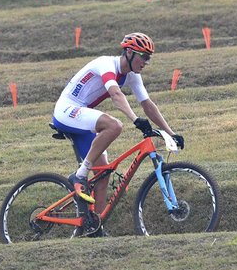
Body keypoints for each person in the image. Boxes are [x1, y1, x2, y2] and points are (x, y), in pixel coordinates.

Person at [55, 32, 181, 233]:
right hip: (67, 110)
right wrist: (135, 119)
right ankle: (79, 176)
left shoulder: (132, 75)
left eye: (149, 57)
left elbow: (148, 104)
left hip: (82, 115)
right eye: (144, 56)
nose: (147, 62)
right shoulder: (106, 64)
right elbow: (115, 94)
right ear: (130, 52)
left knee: (104, 173)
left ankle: (94, 227)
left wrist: (171, 132)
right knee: (114, 125)